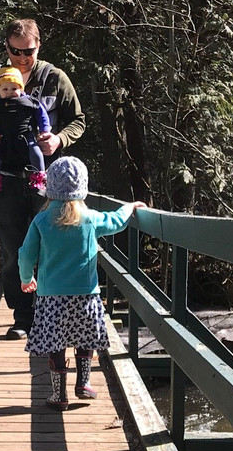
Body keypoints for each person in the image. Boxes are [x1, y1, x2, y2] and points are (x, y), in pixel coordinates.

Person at [0, 18, 87, 339]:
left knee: (52, 247)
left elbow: (78, 120)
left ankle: (52, 315)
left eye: (28, 52)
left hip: (48, 183)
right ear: (6, 47)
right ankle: (23, 317)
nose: (21, 58)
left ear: (38, 46)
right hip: (6, 181)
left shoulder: (55, 79)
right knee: (14, 249)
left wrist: (59, 139)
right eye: (15, 51)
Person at [18, 157, 146, 409]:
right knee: (85, 338)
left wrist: (26, 278)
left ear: (50, 188)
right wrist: (128, 208)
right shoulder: (89, 218)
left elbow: (26, 253)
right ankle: (84, 383)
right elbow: (115, 222)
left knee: (56, 344)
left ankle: (59, 395)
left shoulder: (41, 220)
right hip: (86, 295)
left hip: (51, 297)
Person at [0, 66, 51, 199]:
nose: (9, 92)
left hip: (27, 137)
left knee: (36, 154)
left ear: (21, 88)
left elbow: (42, 116)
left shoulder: (30, 102)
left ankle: (39, 181)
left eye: (14, 88)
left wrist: (45, 130)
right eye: (5, 89)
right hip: (5, 140)